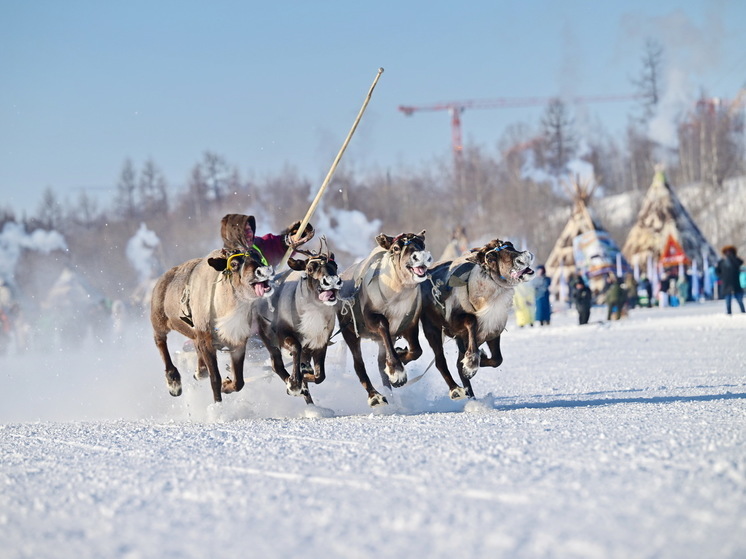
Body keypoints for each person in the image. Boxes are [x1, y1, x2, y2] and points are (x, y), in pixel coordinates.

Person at [179, 214, 314, 326]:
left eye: (250, 229)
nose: (250, 233)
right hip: (235, 316)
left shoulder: (257, 246)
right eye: (245, 231)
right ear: (234, 235)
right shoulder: (227, 260)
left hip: (264, 306)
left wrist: (290, 238)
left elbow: (275, 244)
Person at [715, 245, 745, 315]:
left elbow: (740, 262)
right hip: (726, 283)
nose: (728, 253)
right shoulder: (722, 262)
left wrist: (733, 258)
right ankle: (729, 312)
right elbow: (717, 271)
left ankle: (743, 312)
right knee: (728, 300)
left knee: (739, 299)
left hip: (735, 283)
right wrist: (722, 277)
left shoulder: (736, 260)